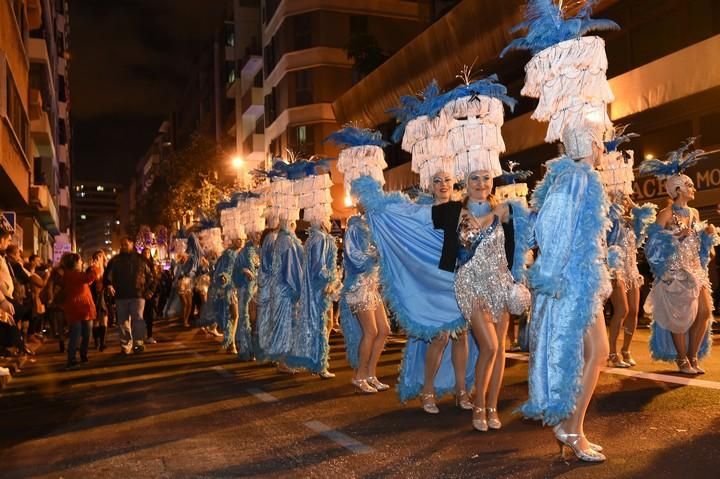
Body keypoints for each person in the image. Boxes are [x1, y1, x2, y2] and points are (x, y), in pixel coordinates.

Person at [520, 124, 611, 462]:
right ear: (590, 144)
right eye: (600, 143)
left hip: (581, 278)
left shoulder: (576, 177)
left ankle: (573, 428)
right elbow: (549, 229)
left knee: (595, 353)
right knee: (595, 353)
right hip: (573, 282)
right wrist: (552, 274)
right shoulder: (577, 177)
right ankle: (572, 430)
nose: (604, 149)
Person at [640, 140, 718, 374]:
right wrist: (675, 239)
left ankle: (693, 357)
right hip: (675, 273)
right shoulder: (665, 214)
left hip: (696, 271)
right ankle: (682, 360)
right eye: (690, 185)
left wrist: (707, 235)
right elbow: (651, 246)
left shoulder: (694, 213)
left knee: (704, 312)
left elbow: (702, 247)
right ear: (678, 190)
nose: (693, 189)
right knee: (679, 318)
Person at [340, 212, 390, 393]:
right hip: (358, 286)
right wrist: (377, 255)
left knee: (384, 330)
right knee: (371, 331)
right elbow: (354, 258)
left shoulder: (375, 225)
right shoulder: (354, 227)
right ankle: (359, 376)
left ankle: (371, 374)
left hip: (372, 286)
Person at [605, 193, 655, 367]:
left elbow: (647, 218)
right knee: (622, 310)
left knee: (633, 311)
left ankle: (626, 350)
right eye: (621, 199)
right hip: (615, 270)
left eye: (626, 198)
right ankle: (612, 352)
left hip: (632, 271)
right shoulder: (610, 220)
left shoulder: (632, 222)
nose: (624, 201)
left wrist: (633, 204)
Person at [286, 216, 338, 377]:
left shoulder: (312, 238)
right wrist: (332, 280)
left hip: (312, 290)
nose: (329, 222)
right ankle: (319, 365)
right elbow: (318, 268)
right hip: (319, 290)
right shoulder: (321, 238)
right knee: (322, 326)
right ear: (322, 221)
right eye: (328, 219)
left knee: (316, 326)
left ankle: (315, 362)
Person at [104, 237, 155, 354]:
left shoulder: (141, 259)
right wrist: (109, 285)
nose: (123, 246)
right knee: (123, 322)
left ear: (132, 244)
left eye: (126, 244)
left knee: (138, 319)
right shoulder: (115, 261)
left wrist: (150, 290)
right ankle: (126, 346)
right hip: (121, 295)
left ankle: (138, 344)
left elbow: (152, 276)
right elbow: (107, 276)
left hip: (138, 294)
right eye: (122, 244)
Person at [60, 253, 101, 369]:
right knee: (77, 335)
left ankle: (82, 355)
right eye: (80, 261)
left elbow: (88, 281)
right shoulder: (71, 274)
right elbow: (89, 278)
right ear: (74, 263)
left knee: (85, 334)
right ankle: (72, 359)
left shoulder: (74, 274)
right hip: (77, 308)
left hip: (83, 308)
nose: (82, 263)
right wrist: (95, 267)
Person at [233, 233, 259, 361]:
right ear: (250, 234)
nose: (258, 235)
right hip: (245, 290)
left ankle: (253, 350)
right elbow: (236, 270)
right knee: (245, 319)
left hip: (256, 291)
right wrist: (244, 271)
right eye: (256, 233)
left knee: (255, 321)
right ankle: (245, 349)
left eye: (259, 232)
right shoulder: (243, 252)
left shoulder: (258, 250)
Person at [88, 250, 109, 351]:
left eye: (100, 256)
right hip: (94, 296)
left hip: (104, 296)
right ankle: (96, 342)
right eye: (96, 257)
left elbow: (110, 280)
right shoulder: (90, 269)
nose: (98, 258)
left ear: (103, 258)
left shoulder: (106, 269)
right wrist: (93, 269)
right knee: (96, 321)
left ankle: (102, 342)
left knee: (104, 319)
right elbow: (88, 282)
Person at [141, 248, 159, 344]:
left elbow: (155, 279)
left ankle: (149, 335)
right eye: (145, 252)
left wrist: (151, 291)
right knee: (140, 316)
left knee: (149, 316)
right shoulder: (138, 264)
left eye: (148, 253)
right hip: (140, 293)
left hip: (149, 294)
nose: (146, 254)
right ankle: (141, 335)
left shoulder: (152, 265)